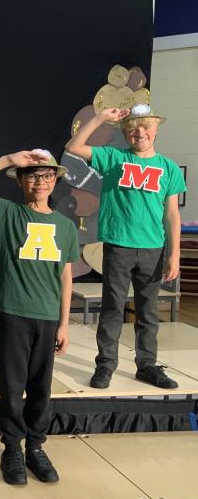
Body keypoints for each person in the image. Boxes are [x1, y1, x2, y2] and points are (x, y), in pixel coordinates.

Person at [0, 149, 78, 485]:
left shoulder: (65, 226)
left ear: (55, 181)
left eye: (47, 176)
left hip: (47, 315)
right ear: (21, 181)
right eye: (33, 176)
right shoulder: (7, 213)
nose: (40, 182)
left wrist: (64, 323)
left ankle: (35, 446)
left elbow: (65, 276)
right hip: (14, 311)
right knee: (12, 385)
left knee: (41, 386)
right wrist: (8, 161)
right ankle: (12, 446)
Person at [65, 104, 185, 390]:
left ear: (156, 130)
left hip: (152, 248)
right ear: (125, 133)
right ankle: (105, 365)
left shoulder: (168, 168)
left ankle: (147, 365)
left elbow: (172, 214)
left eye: (145, 127)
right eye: (132, 129)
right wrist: (100, 118)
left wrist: (175, 253)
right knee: (112, 308)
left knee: (148, 312)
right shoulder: (113, 157)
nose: (139, 133)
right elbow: (73, 148)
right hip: (119, 245)